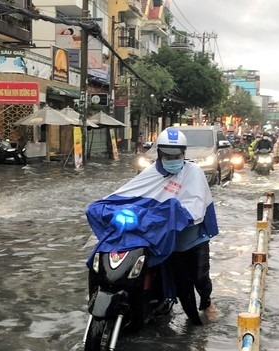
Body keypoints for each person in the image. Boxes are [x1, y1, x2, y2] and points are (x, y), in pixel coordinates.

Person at [86, 128, 219, 322]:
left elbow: (196, 207)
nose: (172, 159)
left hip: (190, 238)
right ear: (159, 154)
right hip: (162, 237)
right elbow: (129, 195)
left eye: (177, 155)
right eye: (167, 156)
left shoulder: (194, 172)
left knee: (199, 278)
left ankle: (206, 302)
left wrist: (174, 213)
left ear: (183, 154)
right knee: (182, 287)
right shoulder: (150, 173)